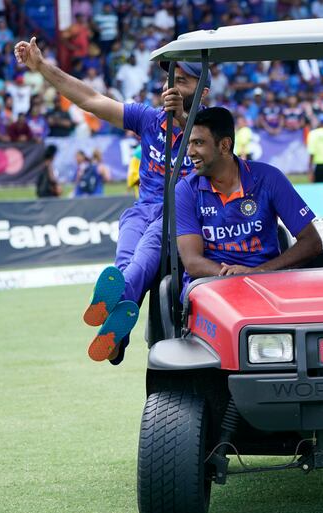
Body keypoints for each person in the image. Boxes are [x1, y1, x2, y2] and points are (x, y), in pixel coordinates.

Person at [14, 37, 210, 364]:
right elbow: (91, 99)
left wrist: (180, 119)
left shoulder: (212, 125)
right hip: (142, 210)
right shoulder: (149, 119)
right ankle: (117, 331)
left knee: (147, 250)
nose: (171, 86)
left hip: (180, 215)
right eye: (168, 79)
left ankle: (114, 316)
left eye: (182, 81)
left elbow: (217, 157)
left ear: (203, 90)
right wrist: (42, 67)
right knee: (125, 257)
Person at [175, 107, 322, 296]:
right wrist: (234, 275)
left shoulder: (269, 178)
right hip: (209, 289)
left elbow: (312, 242)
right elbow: (192, 262)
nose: (190, 152)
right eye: (188, 144)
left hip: (266, 287)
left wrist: (258, 272)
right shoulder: (185, 190)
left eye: (198, 143)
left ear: (224, 145)